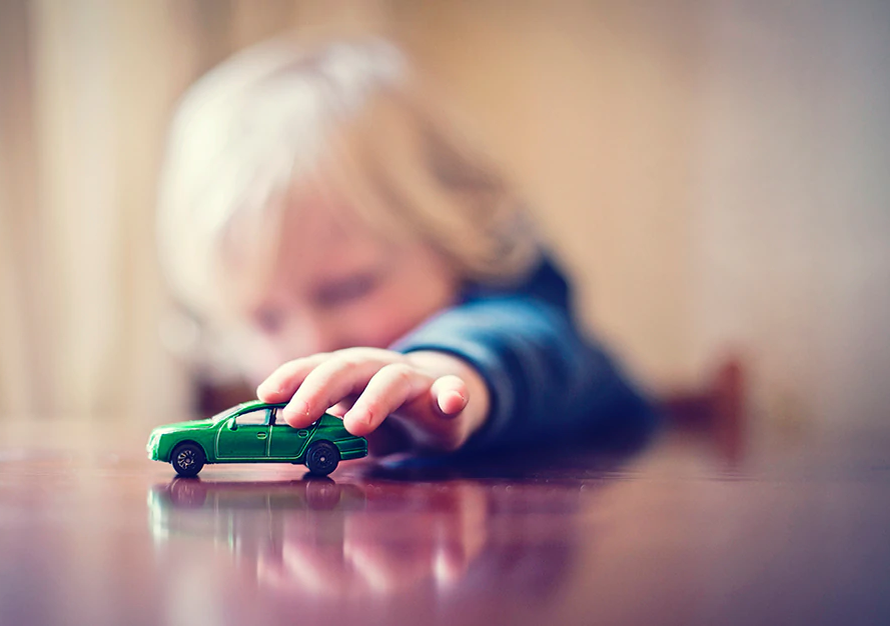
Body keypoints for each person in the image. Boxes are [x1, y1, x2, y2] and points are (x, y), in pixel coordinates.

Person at [157, 34, 654, 461]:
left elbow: (524, 343)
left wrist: (439, 371)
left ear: (454, 239)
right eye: (266, 318)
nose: (310, 343)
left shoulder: (527, 326)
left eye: (348, 287)